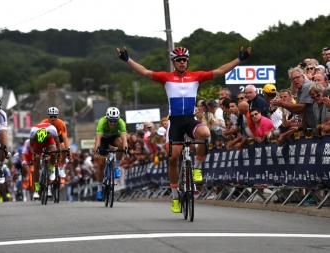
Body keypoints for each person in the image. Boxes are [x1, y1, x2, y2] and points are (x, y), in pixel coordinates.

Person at [116, 45, 251, 213]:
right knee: (173, 158)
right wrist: (127, 59)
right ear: (173, 62)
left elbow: (219, 71)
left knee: (206, 134)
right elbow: (144, 72)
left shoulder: (196, 77)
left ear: (187, 61)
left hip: (189, 119)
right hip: (174, 122)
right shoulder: (166, 77)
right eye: (178, 60)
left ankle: (196, 168)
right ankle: (174, 197)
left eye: (184, 60)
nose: (182, 62)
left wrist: (239, 59)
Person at [94, 107, 128, 201]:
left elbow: (124, 139)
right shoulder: (102, 122)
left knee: (120, 144)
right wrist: (97, 150)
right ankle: (99, 190)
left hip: (114, 137)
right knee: (100, 164)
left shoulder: (121, 122)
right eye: (111, 120)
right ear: (107, 118)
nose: (113, 123)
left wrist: (125, 150)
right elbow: (98, 139)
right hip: (103, 140)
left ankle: (116, 167)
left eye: (115, 120)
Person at [29, 122, 61, 199]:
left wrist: (58, 153)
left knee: (53, 152)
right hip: (38, 143)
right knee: (36, 163)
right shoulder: (33, 131)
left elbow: (58, 144)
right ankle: (36, 188)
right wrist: (35, 154)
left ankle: (52, 168)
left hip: (49, 140)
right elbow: (31, 146)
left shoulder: (52, 129)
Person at [41, 107, 69, 178]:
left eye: (55, 116)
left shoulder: (61, 123)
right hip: (48, 138)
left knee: (63, 148)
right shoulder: (43, 123)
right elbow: (39, 138)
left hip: (58, 137)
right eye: (51, 116)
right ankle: (49, 168)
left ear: (57, 117)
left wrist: (68, 149)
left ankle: (62, 167)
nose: (53, 118)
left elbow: (65, 138)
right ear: (48, 117)